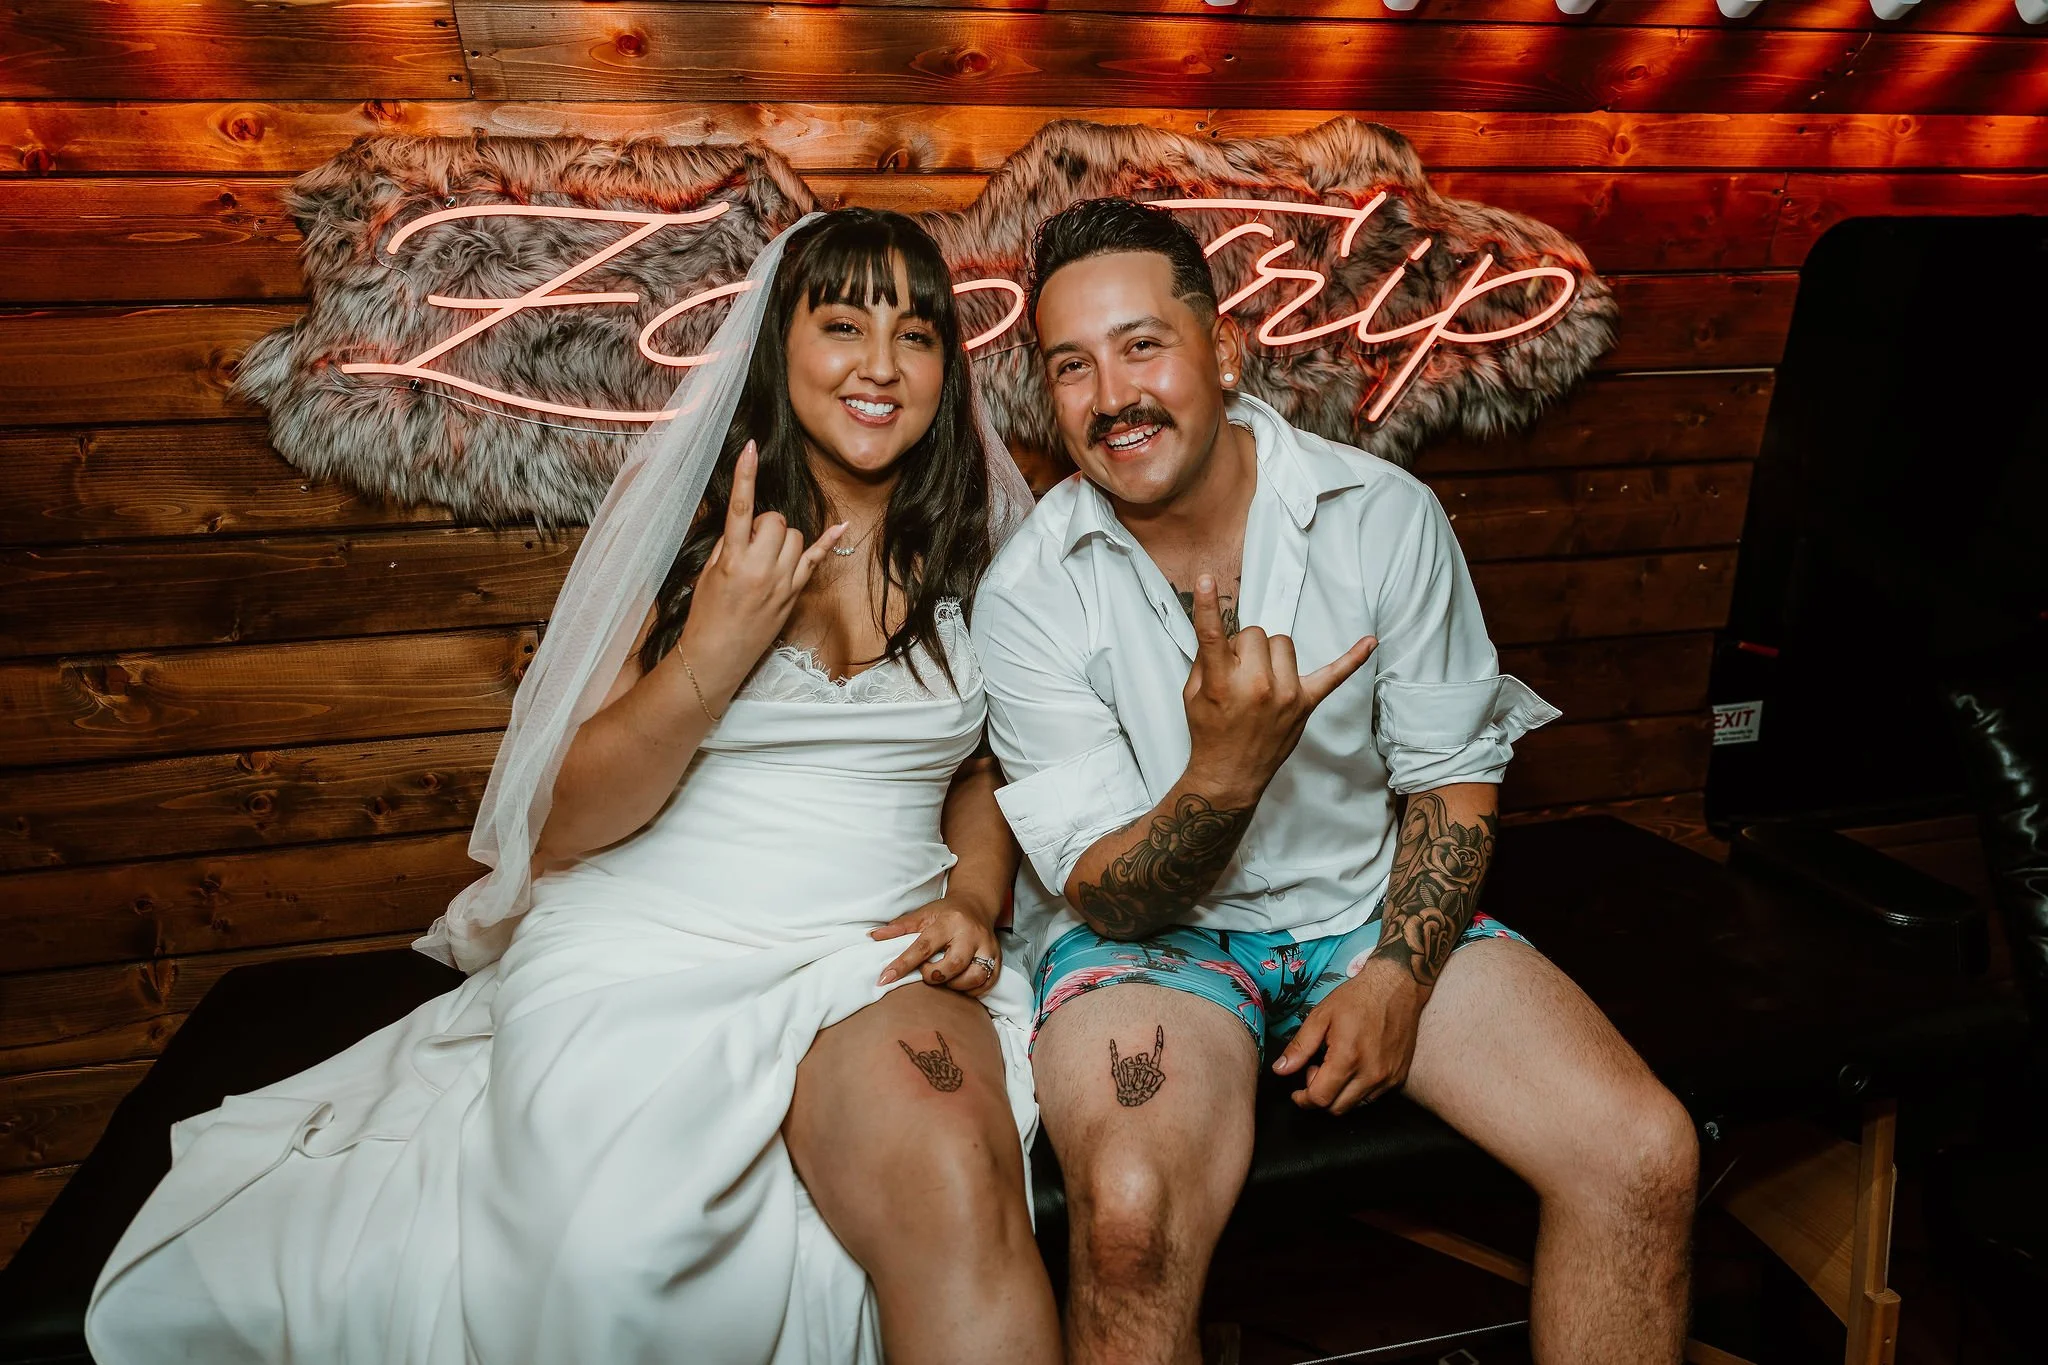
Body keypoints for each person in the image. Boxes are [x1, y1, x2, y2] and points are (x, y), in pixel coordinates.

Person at [86, 209, 1059, 1365]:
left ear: (949, 367)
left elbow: (986, 768)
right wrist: (711, 653)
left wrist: (972, 899)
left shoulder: (980, 548)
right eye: (841, 324)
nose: (878, 366)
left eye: (916, 334)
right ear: (777, 348)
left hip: (872, 947)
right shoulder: (696, 540)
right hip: (654, 945)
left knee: (957, 1182)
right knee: (613, 1259)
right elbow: (566, 823)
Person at [971, 198, 1701, 1365]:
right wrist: (1224, 771)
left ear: (1220, 348)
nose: (1111, 395)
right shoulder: (1026, 593)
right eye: (1071, 365)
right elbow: (1108, 896)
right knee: (1128, 1223)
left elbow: (1452, 781)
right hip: (1148, 947)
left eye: (1141, 344)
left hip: (1364, 910)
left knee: (1640, 1150)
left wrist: (1402, 977)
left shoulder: (1382, 516)